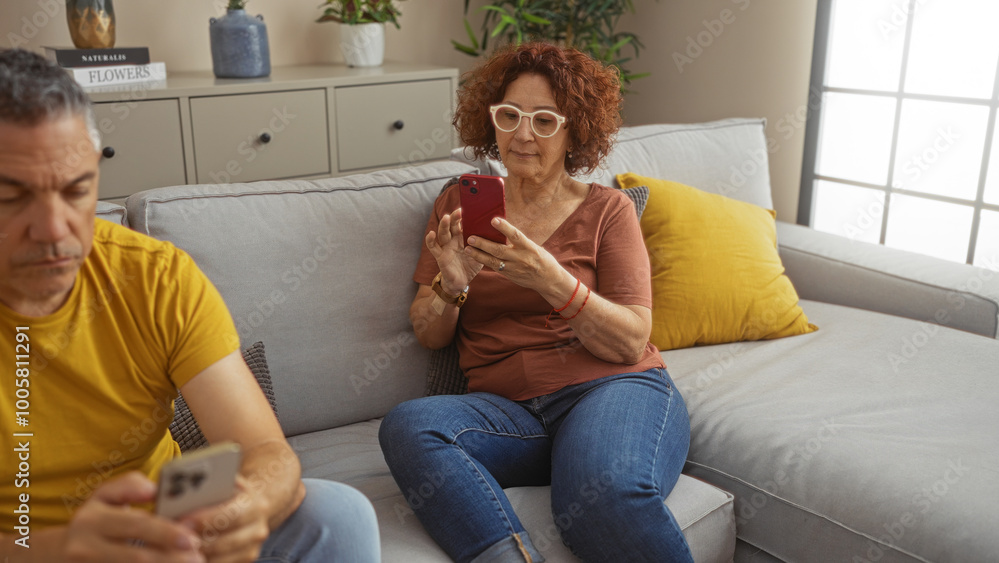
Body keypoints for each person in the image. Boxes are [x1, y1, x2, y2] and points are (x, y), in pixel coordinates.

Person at [0, 48, 379, 562]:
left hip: (163, 534)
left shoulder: (154, 276)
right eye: (10, 198)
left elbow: (266, 454)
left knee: (336, 515)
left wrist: (244, 510)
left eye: (76, 190)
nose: (53, 230)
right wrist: (59, 549)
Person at [379, 42, 694, 563]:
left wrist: (551, 280)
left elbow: (631, 339)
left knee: (603, 496)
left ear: (575, 132)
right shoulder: (458, 202)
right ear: (492, 121)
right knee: (409, 425)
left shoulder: (608, 210)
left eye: (545, 120)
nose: (524, 134)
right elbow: (429, 332)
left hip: (611, 391)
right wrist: (452, 285)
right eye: (511, 115)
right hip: (509, 418)